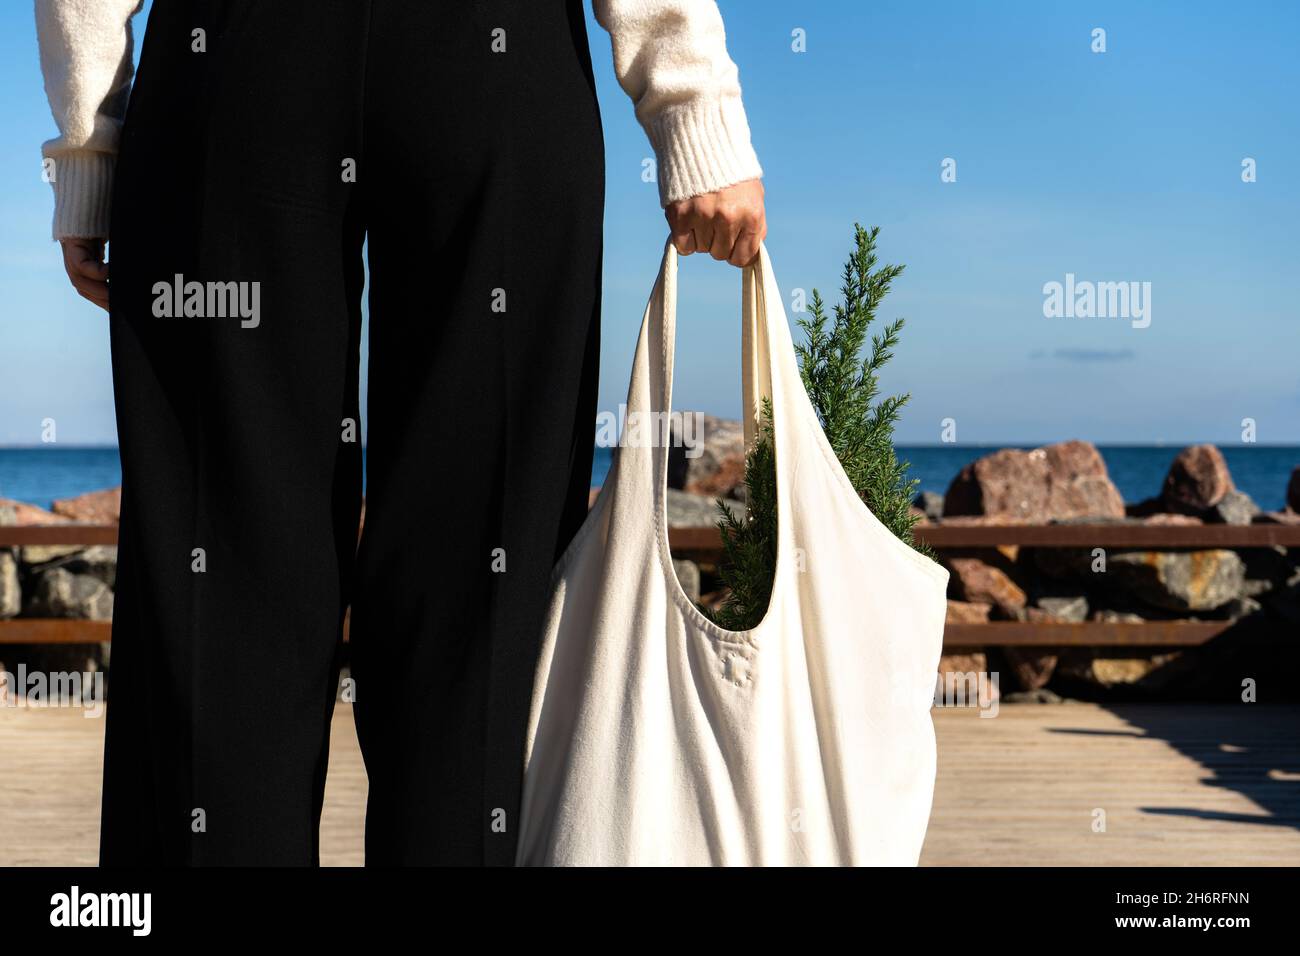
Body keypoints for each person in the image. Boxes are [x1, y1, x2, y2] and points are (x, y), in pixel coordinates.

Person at [36, 0, 766, 866]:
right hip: (493, 55)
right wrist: (693, 104)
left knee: (221, 569)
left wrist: (90, 141)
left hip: (233, 63)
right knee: (482, 582)